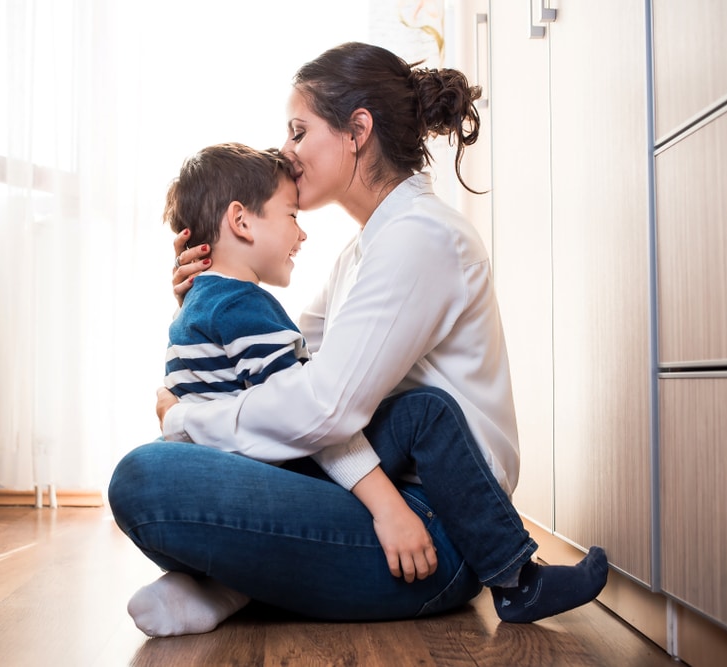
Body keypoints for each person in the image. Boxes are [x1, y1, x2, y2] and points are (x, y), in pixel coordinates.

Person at [109, 41, 608, 637]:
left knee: (147, 479)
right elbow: (293, 366)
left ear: (356, 131)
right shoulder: (364, 251)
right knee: (164, 472)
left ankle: (512, 576)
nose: (287, 153)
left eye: (299, 132)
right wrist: (207, 295)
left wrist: (192, 418)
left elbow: (323, 404)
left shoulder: (417, 239)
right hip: (380, 495)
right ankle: (228, 588)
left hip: (437, 524)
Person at [128, 142, 438, 636]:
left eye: (300, 130)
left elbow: (303, 398)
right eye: (291, 215)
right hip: (273, 474)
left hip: (249, 477)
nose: (301, 230)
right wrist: (388, 506)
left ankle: (226, 587)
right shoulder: (241, 308)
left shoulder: (201, 313)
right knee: (426, 412)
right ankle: (231, 587)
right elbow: (308, 413)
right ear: (242, 222)